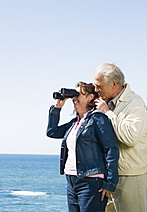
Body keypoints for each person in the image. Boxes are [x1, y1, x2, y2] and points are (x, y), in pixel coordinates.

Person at [47, 82, 119, 212]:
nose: (74, 97)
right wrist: (57, 107)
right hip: (71, 180)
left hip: (91, 182)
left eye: (78, 94)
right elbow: (52, 132)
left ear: (91, 97)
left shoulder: (97, 118)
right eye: (73, 95)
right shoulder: (75, 122)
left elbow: (111, 149)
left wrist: (110, 183)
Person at [93, 62, 147, 212]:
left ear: (114, 84)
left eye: (99, 86)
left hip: (130, 175)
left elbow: (130, 138)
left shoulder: (135, 103)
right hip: (109, 175)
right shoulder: (105, 102)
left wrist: (107, 113)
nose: (96, 90)